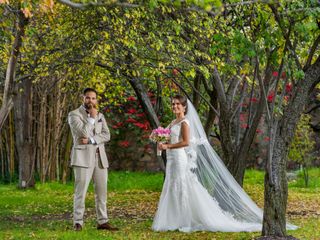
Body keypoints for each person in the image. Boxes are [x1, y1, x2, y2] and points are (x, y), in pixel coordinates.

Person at [152, 94, 297, 232]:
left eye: (178, 104)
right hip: (171, 158)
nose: (175, 106)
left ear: (184, 107)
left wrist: (168, 146)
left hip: (179, 158)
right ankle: (173, 218)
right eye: (173, 104)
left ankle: (185, 219)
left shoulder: (185, 122)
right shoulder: (173, 122)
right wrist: (161, 140)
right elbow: (171, 139)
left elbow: (185, 142)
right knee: (171, 183)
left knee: (182, 185)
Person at [68, 88, 118, 231]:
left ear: (96, 100)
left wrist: (91, 140)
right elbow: (81, 132)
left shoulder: (100, 115)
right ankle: (78, 222)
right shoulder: (74, 115)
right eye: (88, 98)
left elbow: (106, 135)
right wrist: (91, 118)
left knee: (102, 192)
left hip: (100, 158)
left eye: (93, 98)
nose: (91, 101)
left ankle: (102, 221)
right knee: (80, 191)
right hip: (82, 158)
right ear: (82, 98)